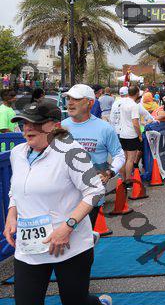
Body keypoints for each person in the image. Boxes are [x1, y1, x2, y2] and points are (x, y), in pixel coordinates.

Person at [4, 101, 112, 305]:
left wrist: (68, 227)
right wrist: (12, 213)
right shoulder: (18, 153)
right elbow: (16, 190)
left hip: (70, 245)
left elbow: (94, 190)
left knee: (75, 301)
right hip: (30, 248)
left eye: (36, 123)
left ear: (55, 126)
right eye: (24, 123)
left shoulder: (72, 152)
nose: (28, 128)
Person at [61, 84, 125, 228]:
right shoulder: (60, 127)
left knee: (84, 237)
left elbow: (119, 155)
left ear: (90, 103)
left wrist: (109, 172)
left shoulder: (104, 128)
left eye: (76, 99)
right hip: (64, 197)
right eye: (69, 98)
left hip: (90, 197)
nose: (70, 103)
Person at [118, 85, 143, 186]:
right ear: (137, 93)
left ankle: (123, 179)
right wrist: (140, 135)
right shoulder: (134, 105)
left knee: (125, 158)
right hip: (131, 135)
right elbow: (135, 123)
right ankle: (128, 181)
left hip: (122, 133)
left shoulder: (122, 103)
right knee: (130, 159)